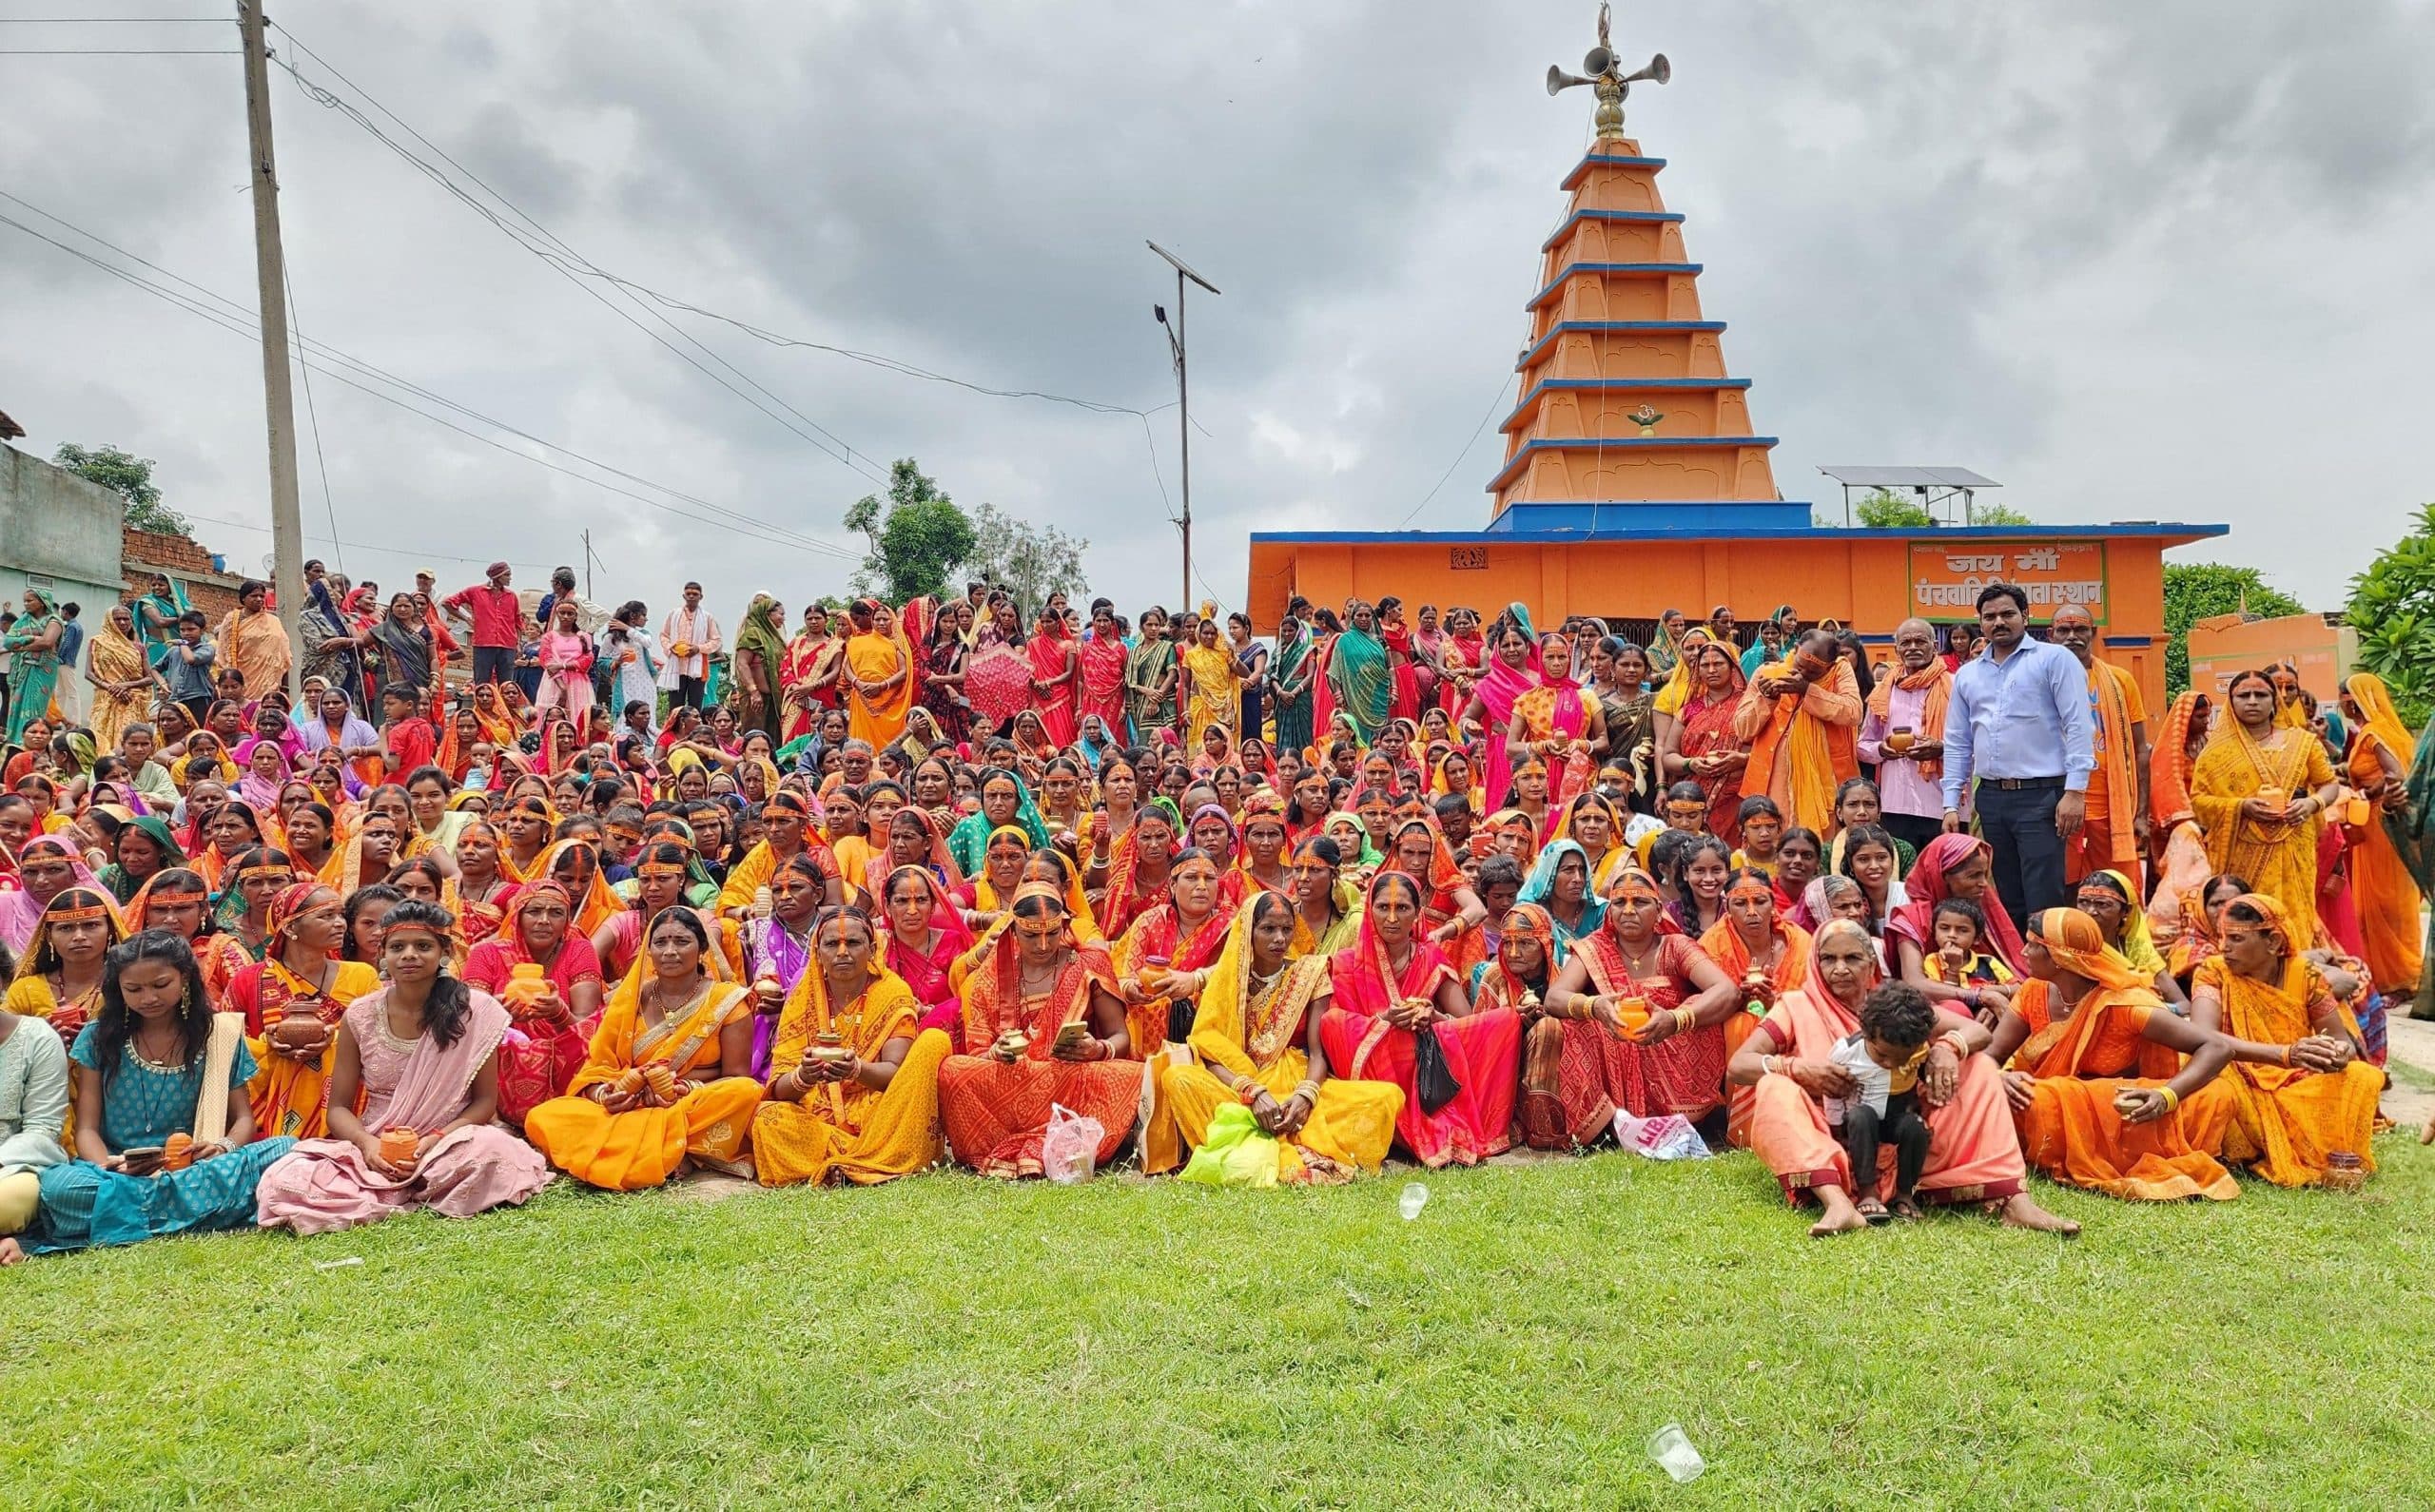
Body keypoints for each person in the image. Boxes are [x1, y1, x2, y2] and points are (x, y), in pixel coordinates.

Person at [1728, 918, 2077, 1237]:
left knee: (1981, 1068)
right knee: (1774, 1086)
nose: (1839, 969)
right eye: (1828, 960)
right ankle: (1837, 1202)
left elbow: (1975, 1032)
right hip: (1830, 1134)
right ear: (1815, 964)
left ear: (1871, 964)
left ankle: (2014, 1202)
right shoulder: (1796, 1005)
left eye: (1852, 958)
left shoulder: (1892, 1002)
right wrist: (1795, 1068)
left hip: (1908, 1132)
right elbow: (1740, 1064)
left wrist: (1947, 1048)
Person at [254, 901, 551, 1233]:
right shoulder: (361, 1015)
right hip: (378, 1145)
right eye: (397, 947)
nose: (409, 955)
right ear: (383, 955)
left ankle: (416, 1185)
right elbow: (337, 1108)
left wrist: (434, 1140)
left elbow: (484, 1103)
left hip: (450, 1144)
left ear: (444, 953)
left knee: (491, 1152)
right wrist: (369, 1145)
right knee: (289, 1176)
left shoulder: (475, 1011)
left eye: (423, 946)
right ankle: (405, 1188)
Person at [16, 930, 294, 1256]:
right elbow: (87, 1129)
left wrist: (222, 1146)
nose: (148, 998)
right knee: (60, 1188)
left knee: (286, 1149)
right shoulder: (98, 1037)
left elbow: (244, 1119)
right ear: (118, 989)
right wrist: (111, 1165)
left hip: (194, 1167)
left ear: (186, 978)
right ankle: (201, 1209)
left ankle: (138, 1212)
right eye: (133, 989)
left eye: (160, 985)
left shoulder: (218, 1034)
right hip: (119, 1171)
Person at [1146, 891, 1402, 1181]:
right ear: (1248, 932)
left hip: (1292, 1079)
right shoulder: (1228, 978)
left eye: (1286, 929)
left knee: (1383, 1098)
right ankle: (1265, 1139)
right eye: (1268, 929)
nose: (1279, 938)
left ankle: (1257, 1140)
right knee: (1178, 1077)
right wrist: (1252, 1092)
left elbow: (1318, 1054)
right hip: (1239, 1087)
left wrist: (1306, 1096)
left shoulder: (1311, 972)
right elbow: (1208, 1049)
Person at [1987, 907, 2237, 1202]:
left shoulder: (2125, 1003)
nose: (2023, 951)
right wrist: (1999, 1077)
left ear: (2060, 957)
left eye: (2033, 944)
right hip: (2049, 1102)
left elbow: (2218, 1047)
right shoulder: (2033, 990)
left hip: (2122, 1110)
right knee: (2026, 1098)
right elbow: (1992, 1055)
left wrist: (2166, 1095)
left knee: (2216, 1093)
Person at [524, 907, 763, 1189]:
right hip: (630, 1105)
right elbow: (597, 1067)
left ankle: (657, 1149)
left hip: (685, 1103)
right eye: (660, 942)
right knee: (544, 1116)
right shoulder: (630, 1000)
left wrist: (682, 1089)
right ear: (648, 951)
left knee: (745, 1093)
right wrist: (606, 1094)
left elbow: (736, 1077)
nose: (670, 951)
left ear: (702, 949)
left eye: (682, 941)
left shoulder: (728, 1001)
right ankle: (674, 1151)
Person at [935, 882, 1138, 1178]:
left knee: (1131, 1074)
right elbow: (978, 1052)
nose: (1043, 945)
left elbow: (1121, 1037)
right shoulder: (987, 978)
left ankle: (1058, 1139)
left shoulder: (1087, 964)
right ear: (1013, 931)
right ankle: (1038, 1140)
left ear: (1064, 927)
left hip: (1068, 1078)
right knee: (953, 1069)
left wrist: (1098, 1049)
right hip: (1011, 1080)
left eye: (1052, 933)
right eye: (1031, 935)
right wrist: (996, 1052)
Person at [1320, 870, 1519, 1168]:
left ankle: (1432, 1121)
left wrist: (1432, 1015)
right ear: (1369, 910)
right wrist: (1384, 1019)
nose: (1392, 918)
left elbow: (1464, 1022)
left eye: (1402, 908)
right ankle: (1399, 1123)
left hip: (1427, 1063)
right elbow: (1339, 1026)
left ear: (1417, 914)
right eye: (1382, 908)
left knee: (1506, 1021)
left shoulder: (1430, 956)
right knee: (1332, 1021)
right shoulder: (1348, 962)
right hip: (1378, 1066)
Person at [2181, 893, 2381, 1189]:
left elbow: (2343, 1042)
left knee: (2362, 1075)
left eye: (2237, 938)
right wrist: (2284, 1054)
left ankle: (2304, 1150)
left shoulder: (2307, 976)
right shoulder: (2213, 972)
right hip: (2239, 1072)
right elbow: (2202, 1036)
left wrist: (2335, 1053)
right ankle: (2256, 1148)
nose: (2224, 947)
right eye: (2224, 937)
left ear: (2273, 942)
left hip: (2294, 1077)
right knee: (2213, 1071)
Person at [1530, 867, 1738, 1147]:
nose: (1628, 911)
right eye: (1619, 903)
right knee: (1578, 1024)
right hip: (1614, 1043)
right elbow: (1555, 998)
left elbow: (1727, 991)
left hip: (1669, 1045)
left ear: (1659, 910)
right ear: (1610, 910)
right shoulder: (1595, 948)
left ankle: (1680, 1117)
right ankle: (1609, 1126)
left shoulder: (1675, 946)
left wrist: (1677, 1019)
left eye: (1639, 902)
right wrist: (1595, 1005)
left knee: (1700, 1007)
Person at [749, 904, 949, 1186]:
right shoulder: (801, 999)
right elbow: (779, 1087)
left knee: (934, 1041)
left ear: (872, 949)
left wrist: (856, 1070)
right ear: (818, 952)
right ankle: (864, 1161)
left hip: (878, 1112)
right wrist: (803, 1077)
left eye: (853, 943)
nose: (843, 952)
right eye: (832, 944)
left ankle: (850, 1162)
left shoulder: (891, 992)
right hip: (817, 1115)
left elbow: (896, 1075)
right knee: (768, 1118)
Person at [1939, 583, 2096, 924]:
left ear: (2025, 617)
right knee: (2003, 893)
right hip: (1992, 799)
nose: (1999, 622)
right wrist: (1951, 802)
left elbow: (2079, 726)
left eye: (2008, 614)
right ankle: (2017, 970)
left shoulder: (2054, 659)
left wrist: (2075, 791)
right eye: (1989, 616)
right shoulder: (1968, 675)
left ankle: (2048, 972)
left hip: (2043, 797)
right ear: (1979, 623)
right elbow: (1957, 741)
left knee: (2043, 894)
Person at [2190, 669, 2339, 947]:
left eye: (2261, 695)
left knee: (2294, 920)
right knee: (2246, 919)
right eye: (2243, 695)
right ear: (2231, 703)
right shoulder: (2214, 754)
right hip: (2242, 853)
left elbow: (2329, 784)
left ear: (2275, 701)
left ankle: (2294, 974)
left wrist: (2311, 803)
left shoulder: (2302, 742)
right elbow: (2198, 802)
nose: (2252, 701)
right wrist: (2241, 806)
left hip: (2294, 846)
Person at [224, 883, 383, 1140]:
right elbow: (229, 1048)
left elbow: (378, 1039)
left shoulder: (361, 975)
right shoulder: (248, 980)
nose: (340, 923)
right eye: (326, 916)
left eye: (341, 914)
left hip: (349, 1115)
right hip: (264, 1121)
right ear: (289, 927)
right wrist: (270, 1045)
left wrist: (335, 1041)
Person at [460, 882, 604, 1124]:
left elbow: (587, 1029)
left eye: (556, 913)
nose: (544, 920)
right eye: (534, 911)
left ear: (567, 921)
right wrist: (499, 1016)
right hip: (498, 1059)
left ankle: (565, 1111)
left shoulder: (578, 950)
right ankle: (492, 1114)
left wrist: (558, 1013)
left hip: (561, 1061)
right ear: (517, 915)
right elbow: (471, 1021)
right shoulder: (486, 954)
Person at [2046, 604, 2150, 887]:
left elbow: (2141, 749)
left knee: (2115, 887)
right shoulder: (2039, 680)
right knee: (2062, 886)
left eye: (2080, 629)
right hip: (2054, 802)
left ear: (2093, 633)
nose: (2072, 636)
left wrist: (2141, 814)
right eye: (2063, 630)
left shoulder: (2120, 680)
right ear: (2050, 635)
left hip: (2110, 805)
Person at [2334, 672, 2421, 999]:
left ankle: (2398, 980)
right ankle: (2397, 974)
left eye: (2343, 695)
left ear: (2352, 699)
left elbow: (2395, 774)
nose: (2341, 701)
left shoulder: (2371, 732)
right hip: (2384, 822)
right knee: (2393, 900)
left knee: (2381, 902)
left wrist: (2365, 794)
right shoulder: (2385, 731)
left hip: (2378, 823)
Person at [1824, 984, 1938, 1223]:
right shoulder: (1847, 1051)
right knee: (1861, 1116)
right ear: (1867, 1033)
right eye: (1882, 1055)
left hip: (1893, 1117)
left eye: (1900, 1059)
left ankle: (1905, 1195)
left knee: (1915, 1127)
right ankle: (1868, 1194)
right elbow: (1832, 1092)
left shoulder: (1919, 1049)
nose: (1889, 1064)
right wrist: (1835, 1127)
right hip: (1859, 1121)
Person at [1733, 628, 1861, 836]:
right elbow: (1742, 729)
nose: (1803, 674)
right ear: (1795, 648)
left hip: (1825, 788)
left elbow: (1853, 712)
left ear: (1829, 666)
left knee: (1822, 853)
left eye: (1813, 673)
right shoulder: (1767, 673)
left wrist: (1807, 689)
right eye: (1800, 666)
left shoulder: (1839, 672)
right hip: (1773, 787)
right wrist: (1766, 701)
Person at [1855, 617, 1952, 855]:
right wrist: (1881, 749)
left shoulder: (1955, 685)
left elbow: (1972, 742)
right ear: (1896, 649)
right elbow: (1863, 745)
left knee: (1945, 880)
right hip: (1896, 803)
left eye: (1920, 641)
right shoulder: (1883, 691)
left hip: (1944, 803)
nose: (1913, 647)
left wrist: (1941, 748)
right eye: (1906, 642)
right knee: (1902, 880)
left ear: (1934, 646)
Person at [0, 964, 71, 1262]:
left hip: (14, 1165)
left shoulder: (36, 1037)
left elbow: (42, 1128)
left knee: (7, 1202)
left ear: (3, 981)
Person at [842, 598, 914, 747]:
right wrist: (858, 683)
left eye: (885, 619)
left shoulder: (897, 644)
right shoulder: (857, 642)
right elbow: (847, 669)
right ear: (872, 621)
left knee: (890, 747)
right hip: (862, 699)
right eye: (877, 619)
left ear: (892, 621)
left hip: (891, 701)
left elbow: (903, 672)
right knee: (862, 744)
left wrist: (881, 686)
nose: (881, 623)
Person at [82, 604, 152, 755]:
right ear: (109, 621)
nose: (122, 623)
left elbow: (150, 678)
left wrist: (126, 685)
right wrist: (111, 688)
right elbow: (88, 673)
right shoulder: (97, 643)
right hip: (106, 698)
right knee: (101, 742)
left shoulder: (139, 647)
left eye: (126, 619)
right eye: (117, 619)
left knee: (130, 739)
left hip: (131, 699)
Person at [1, 588, 63, 746]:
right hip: (21, 669)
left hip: (42, 669)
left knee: (36, 703)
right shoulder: (22, 620)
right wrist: (31, 638)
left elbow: (47, 642)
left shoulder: (54, 621)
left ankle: (33, 741)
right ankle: (15, 738)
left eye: (30, 601)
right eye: (25, 601)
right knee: (16, 703)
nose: (26, 604)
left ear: (42, 603)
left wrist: (20, 645)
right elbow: (8, 642)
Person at [655, 581, 721, 711]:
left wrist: (698, 648)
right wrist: (670, 648)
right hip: (676, 666)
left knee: (695, 706)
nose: (691, 596)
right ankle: (674, 731)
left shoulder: (707, 617)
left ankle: (695, 731)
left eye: (695, 594)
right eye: (688, 594)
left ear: (700, 597)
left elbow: (716, 641)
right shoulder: (673, 614)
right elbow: (664, 635)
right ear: (684, 596)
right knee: (675, 707)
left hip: (697, 669)